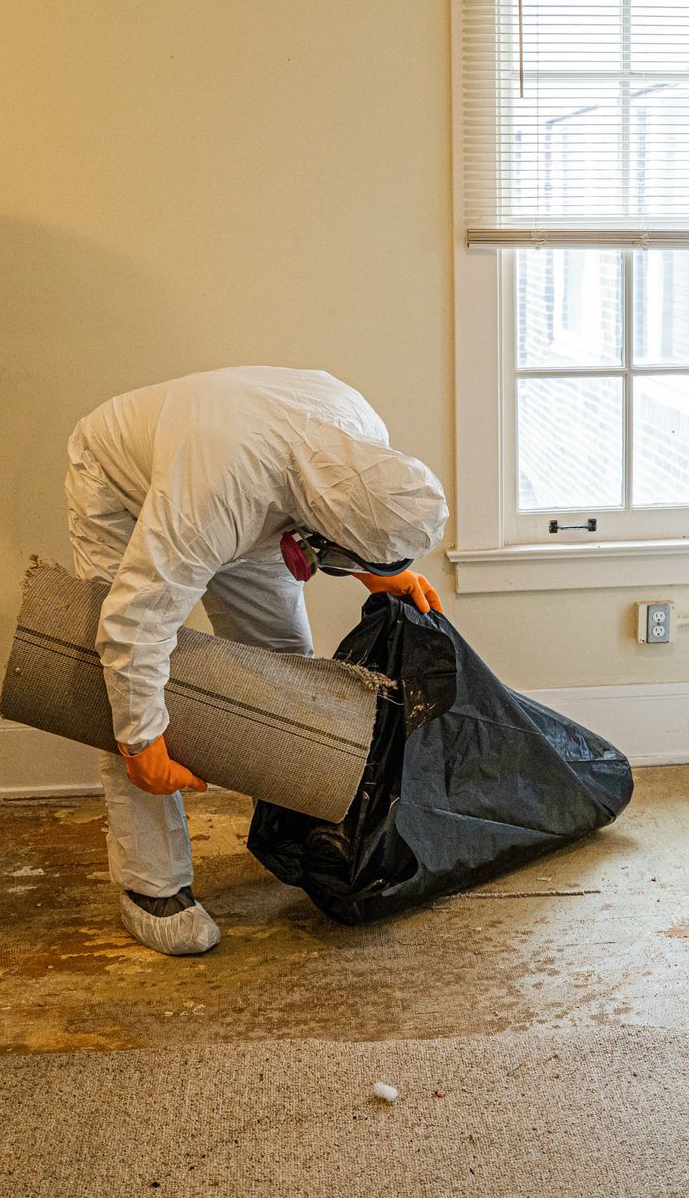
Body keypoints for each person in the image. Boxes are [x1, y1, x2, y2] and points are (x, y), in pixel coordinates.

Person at [64, 366, 447, 954]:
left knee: (285, 668)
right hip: (121, 482)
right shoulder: (213, 498)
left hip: (258, 488)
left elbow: (349, 502)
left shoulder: (361, 435)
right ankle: (152, 885)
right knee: (129, 685)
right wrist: (141, 746)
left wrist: (382, 570)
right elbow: (134, 627)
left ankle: (295, 834)